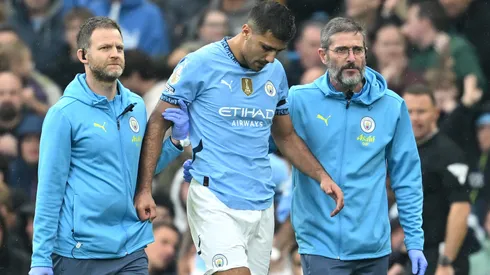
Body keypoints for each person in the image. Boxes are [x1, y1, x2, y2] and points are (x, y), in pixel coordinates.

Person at [183, 16, 428, 275]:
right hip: (320, 245)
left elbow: (407, 178)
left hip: (374, 247)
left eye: (357, 50)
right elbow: (255, 144)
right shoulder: (299, 100)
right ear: (322, 55)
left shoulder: (391, 106)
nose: (351, 58)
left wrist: (414, 241)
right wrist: (208, 159)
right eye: (342, 50)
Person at [136, 1, 344, 275]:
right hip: (214, 197)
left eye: (278, 51)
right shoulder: (199, 64)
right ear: (246, 31)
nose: (271, 58)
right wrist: (144, 188)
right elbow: (157, 122)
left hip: (261, 201)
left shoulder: (276, 72)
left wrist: (322, 176)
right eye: (266, 47)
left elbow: (285, 135)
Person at [29, 17, 189, 275]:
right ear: (83, 55)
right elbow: (49, 190)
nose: (115, 54)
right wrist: (40, 258)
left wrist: (174, 142)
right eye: (105, 48)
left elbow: (138, 171)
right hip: (80, 251)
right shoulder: (63, 114)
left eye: (119, 47)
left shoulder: (135, 105)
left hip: (131, 247)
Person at [390, 84, 471, 275]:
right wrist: (401, 262)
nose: (415, 118)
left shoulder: (449, 153)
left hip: (443, 259)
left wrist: (446, 261)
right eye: (409, 111)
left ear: (435, 113)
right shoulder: (406, 152)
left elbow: (461, 208)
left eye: (421, 111)